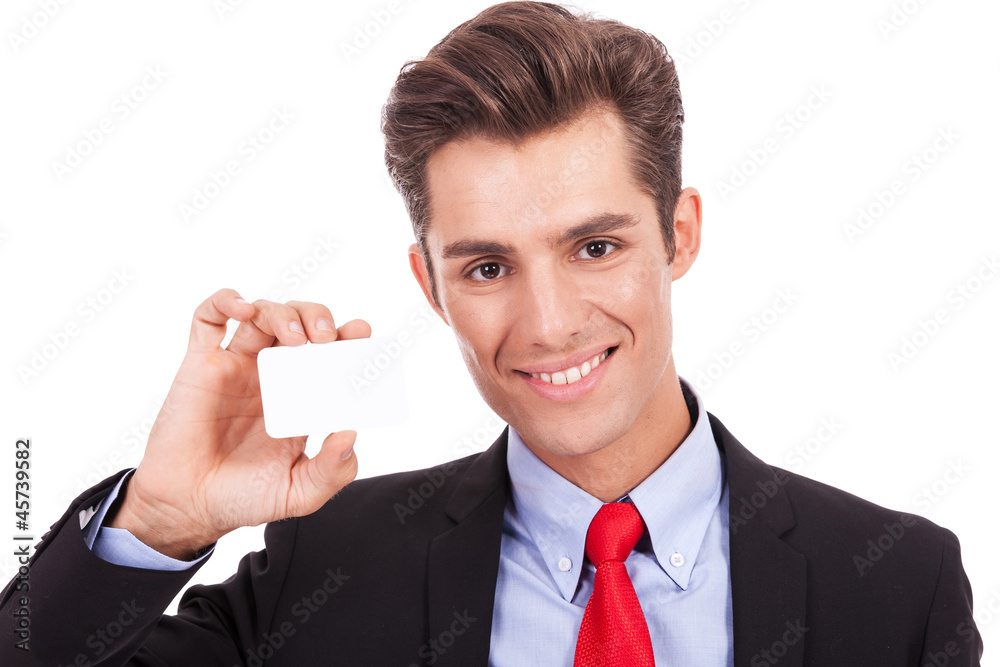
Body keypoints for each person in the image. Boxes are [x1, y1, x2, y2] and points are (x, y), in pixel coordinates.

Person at [1, 2, 982, 665]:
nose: (549, 323)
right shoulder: (324, 566)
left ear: (679, 234)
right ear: (429, 285)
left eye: (594, 246)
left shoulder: (898, 583)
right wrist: (161, 519)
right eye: (486, 266)